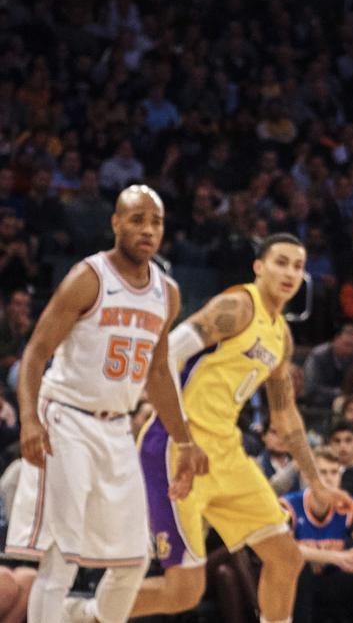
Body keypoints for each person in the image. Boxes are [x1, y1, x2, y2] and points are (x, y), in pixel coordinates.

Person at [4, 185, 208, 623]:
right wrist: (29, 420)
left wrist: (185, 440)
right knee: (62, 556)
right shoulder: (89, 277)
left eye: (156, 222)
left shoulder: (167, 293)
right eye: (137, 220)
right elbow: (35, 352)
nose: (148, 230)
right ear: (115, 223)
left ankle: (85, 617)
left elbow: (158, 373)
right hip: (67, 419)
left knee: (134, 559)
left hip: (116, 428)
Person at [131, 233, 353, 623]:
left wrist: (317, 482)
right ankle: (78, 615)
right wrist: (183, 436)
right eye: (280, 262)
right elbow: (164, 354)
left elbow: (285, 416)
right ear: (259, 266)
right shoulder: (236, 307)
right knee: (183, 592)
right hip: (176, 446)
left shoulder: (281, 336)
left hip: (226, 451)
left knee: (286, 557)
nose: (289, 273)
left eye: (298, 266)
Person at [282, 448, 353, 623]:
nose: (329, 478)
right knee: (301, 569)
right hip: (296, 587)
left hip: (330, 582)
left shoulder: (346, 506)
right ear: (307, 476)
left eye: (334, 472)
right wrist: (337, 557)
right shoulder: (288, 505)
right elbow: (287, 550)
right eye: (322, 472)